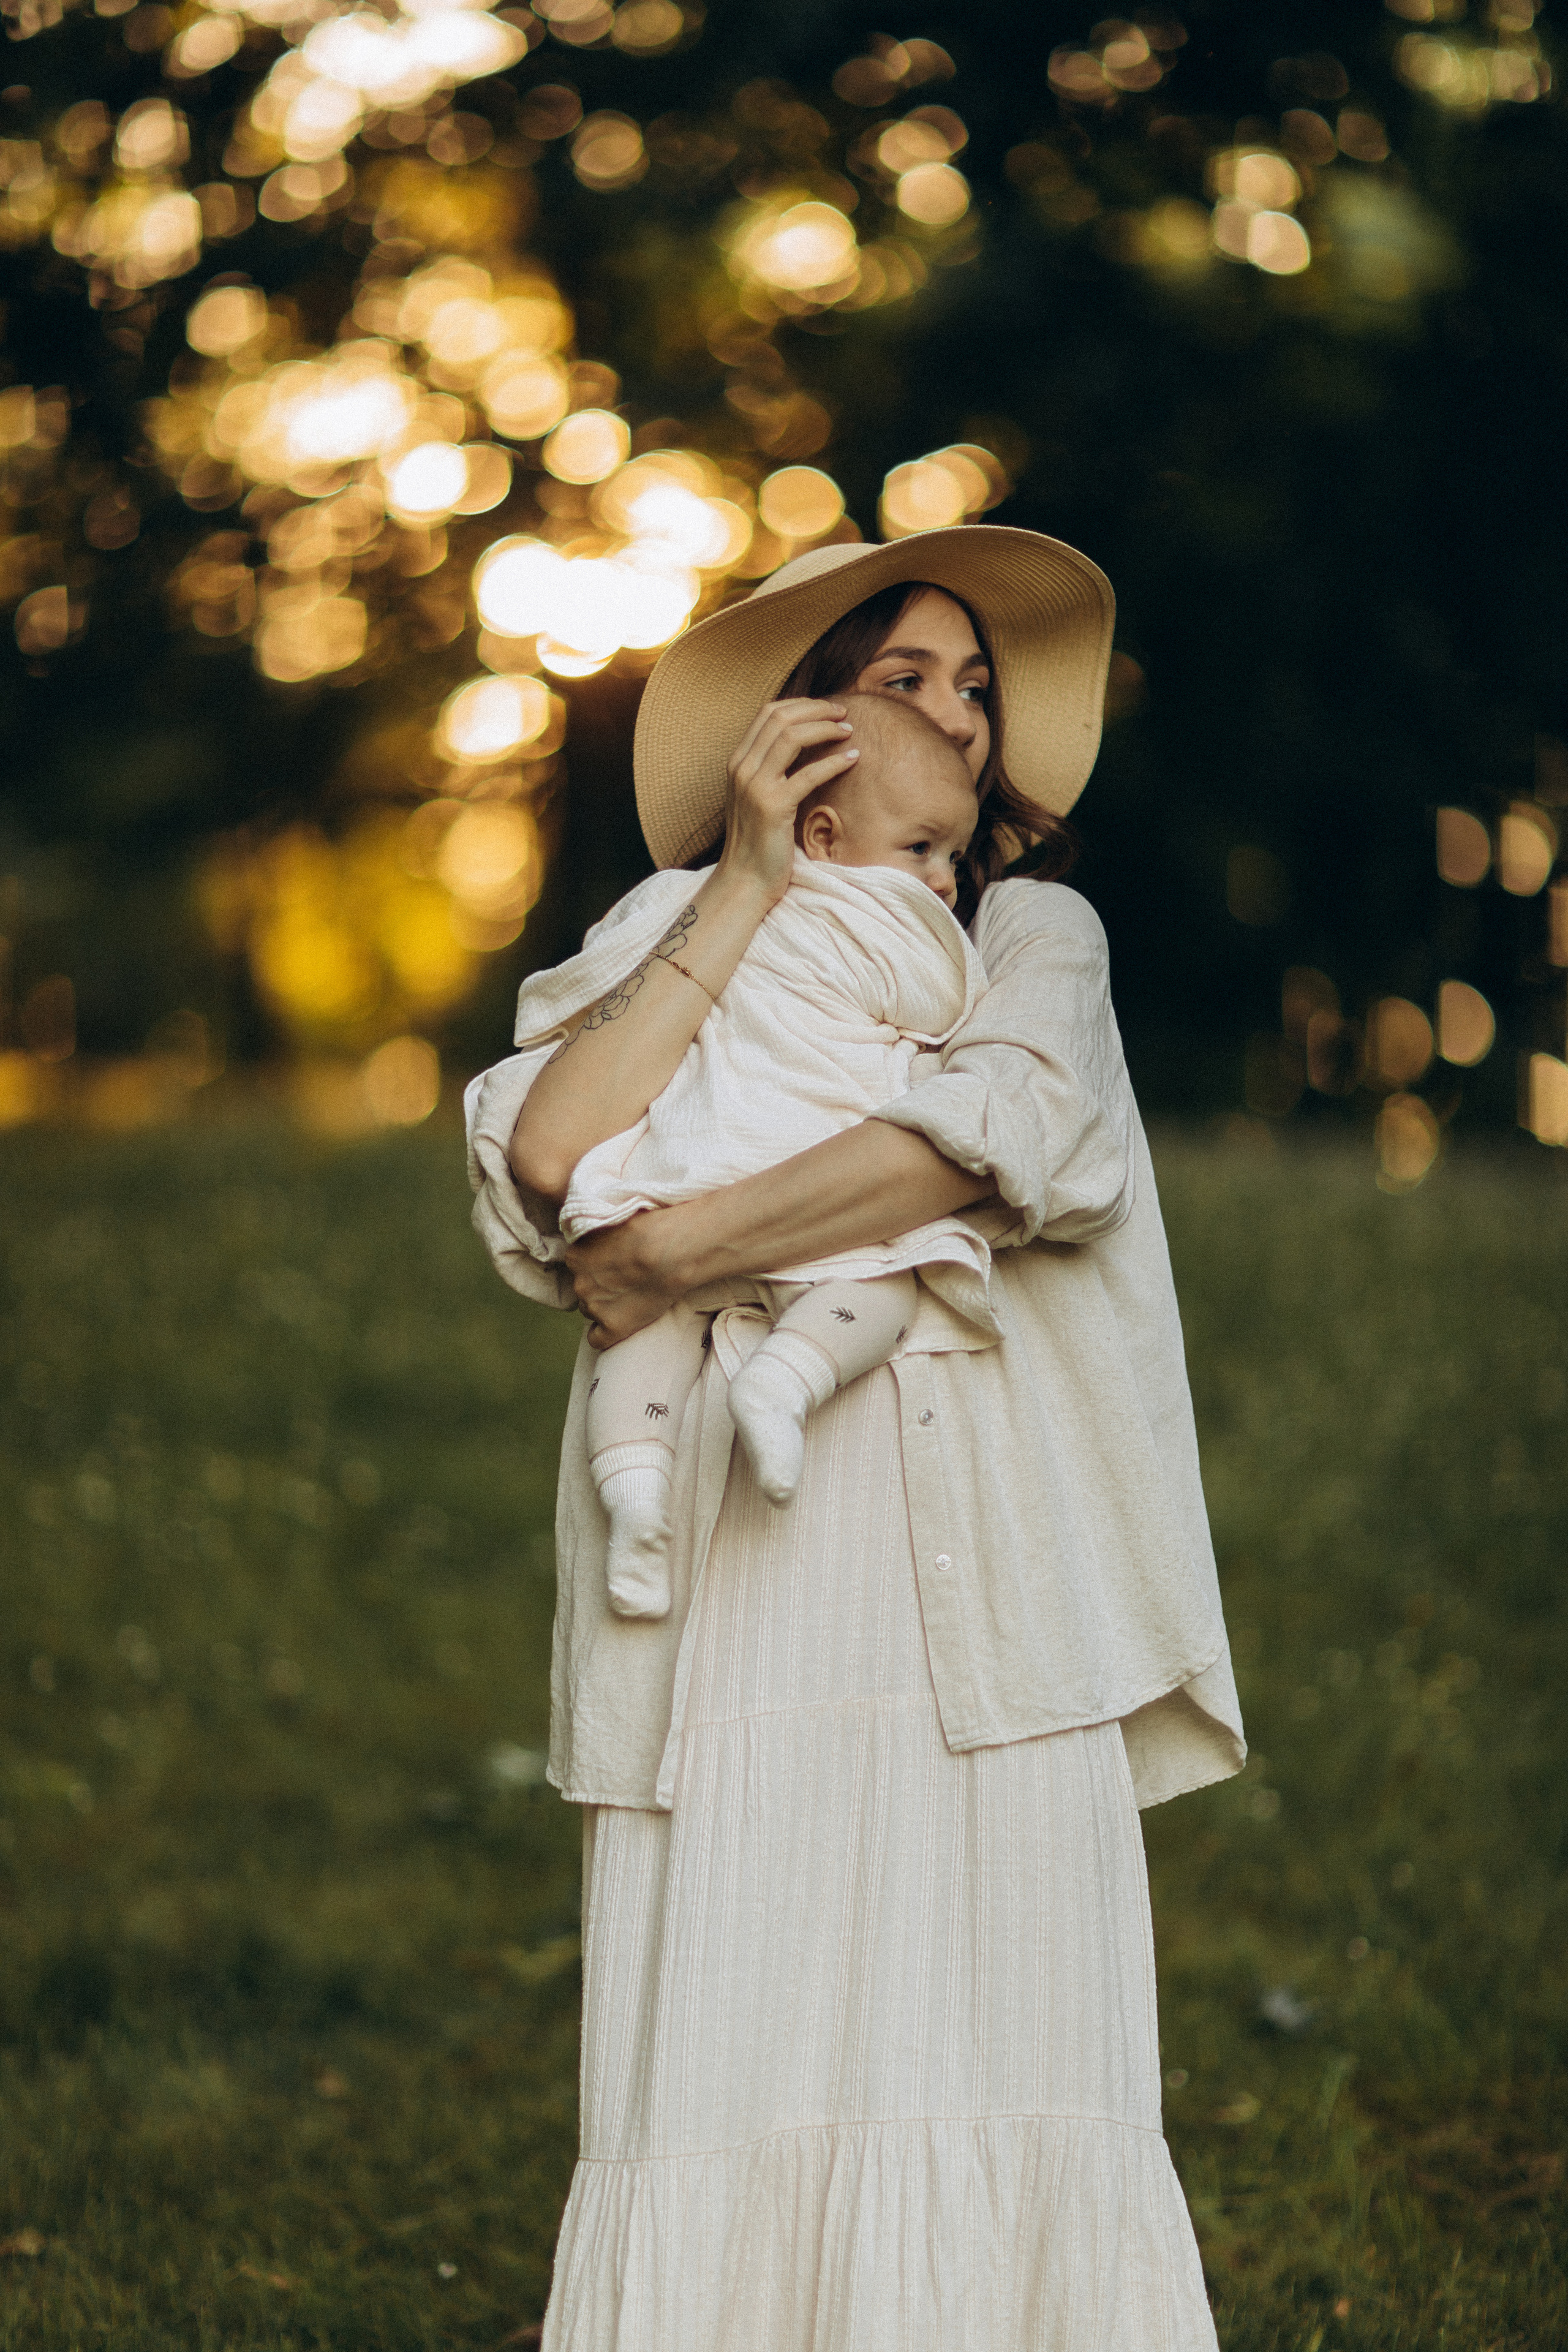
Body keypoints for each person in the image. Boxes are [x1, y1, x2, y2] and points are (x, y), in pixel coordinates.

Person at [466, 526, 1246, 2350]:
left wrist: (674, 1252)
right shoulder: (669, 933)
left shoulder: (1028, 936)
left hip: (987, 1569)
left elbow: (986, 1146)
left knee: (1003, 2028)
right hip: (741, 1561)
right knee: (743, 2020)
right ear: (795, 726)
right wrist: (745, 885)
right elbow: (550, 1154)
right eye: (909, 678)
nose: (965, 718)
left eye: (978, 685)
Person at [537, 692, 1005, 1621]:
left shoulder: (690, 911)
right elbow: (954, 1024)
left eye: (953, 857)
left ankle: (635, 1501)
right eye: (923, 849)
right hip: (811, 1183)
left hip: (677, 1177)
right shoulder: (900, 926)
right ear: (823, 834)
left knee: (638, 1342)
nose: (944, 881)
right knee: (883, 1288)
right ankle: (786, 1382)